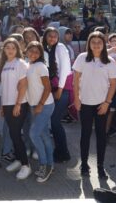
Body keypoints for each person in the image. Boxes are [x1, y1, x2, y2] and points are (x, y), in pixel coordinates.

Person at [72, 32, 116, 178]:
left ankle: (100, 166)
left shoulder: (110, 61)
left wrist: (107, 103)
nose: (96, 45)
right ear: (89, 44)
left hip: (101, 104)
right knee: (85, 135)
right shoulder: (81, 58)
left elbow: (113, 84)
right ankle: (84, 165)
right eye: (93, 42)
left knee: (101, 136)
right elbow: (75, 80)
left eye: (99, 42)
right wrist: (77, 99)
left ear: (104, 44)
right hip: (85, 103)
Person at [0, 38, 31, 179]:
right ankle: (18, 159)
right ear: (4, 50)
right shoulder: (4, 64)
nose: (10, 50)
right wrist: (1, 106)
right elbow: (3, 87)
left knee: (16, 134)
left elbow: (23, 85)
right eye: (7, 48)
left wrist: (18, 104)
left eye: (13, 48)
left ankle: (25, 165)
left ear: (17, 50)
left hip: (19, 104)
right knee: (13, 134)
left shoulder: (21, 63)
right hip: (7, 104)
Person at [25, 41, 54, 183]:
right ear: (26, 51)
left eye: (37, 52)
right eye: (31, 51)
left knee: (34, 134)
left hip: (44, 105)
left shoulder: (41, 66)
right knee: (45, 136)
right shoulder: (29, 65)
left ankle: (44, 165)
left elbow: (48, 88)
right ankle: (50, 164)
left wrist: (41, 104)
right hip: (35, 105)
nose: (33, 54)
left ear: (41, 54)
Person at [41, 27, 71, 163]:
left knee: (55, 121)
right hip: (52, 88)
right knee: (53, 122)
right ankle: (59, 150)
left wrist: (60, 89)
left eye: (55, 36)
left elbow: (65, 70)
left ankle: (63, 152)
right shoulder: (46, 49)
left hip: (61, 89)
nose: (52, 38)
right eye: (49, 36)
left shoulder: (60, 48)